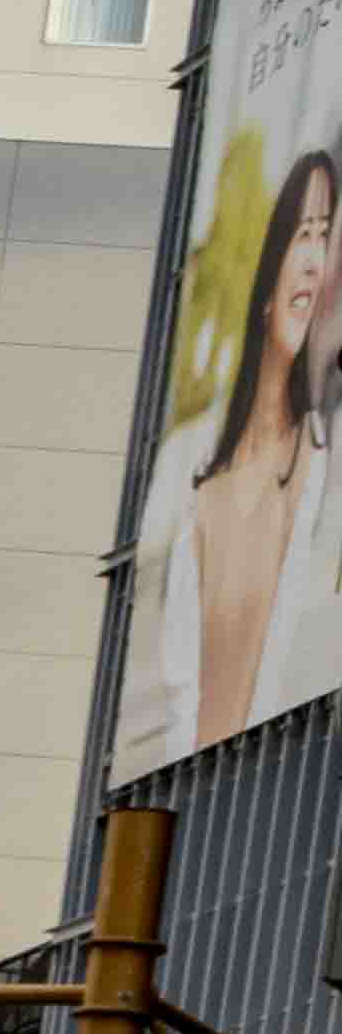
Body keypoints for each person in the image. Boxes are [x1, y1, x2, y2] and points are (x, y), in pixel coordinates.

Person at [151, 139, 342, 761]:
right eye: (306, 233)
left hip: (278, 789)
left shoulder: (325, 467)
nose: (316, 263)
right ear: (269, 272)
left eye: (328, 241)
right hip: (188, 813)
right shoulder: (191, 479)